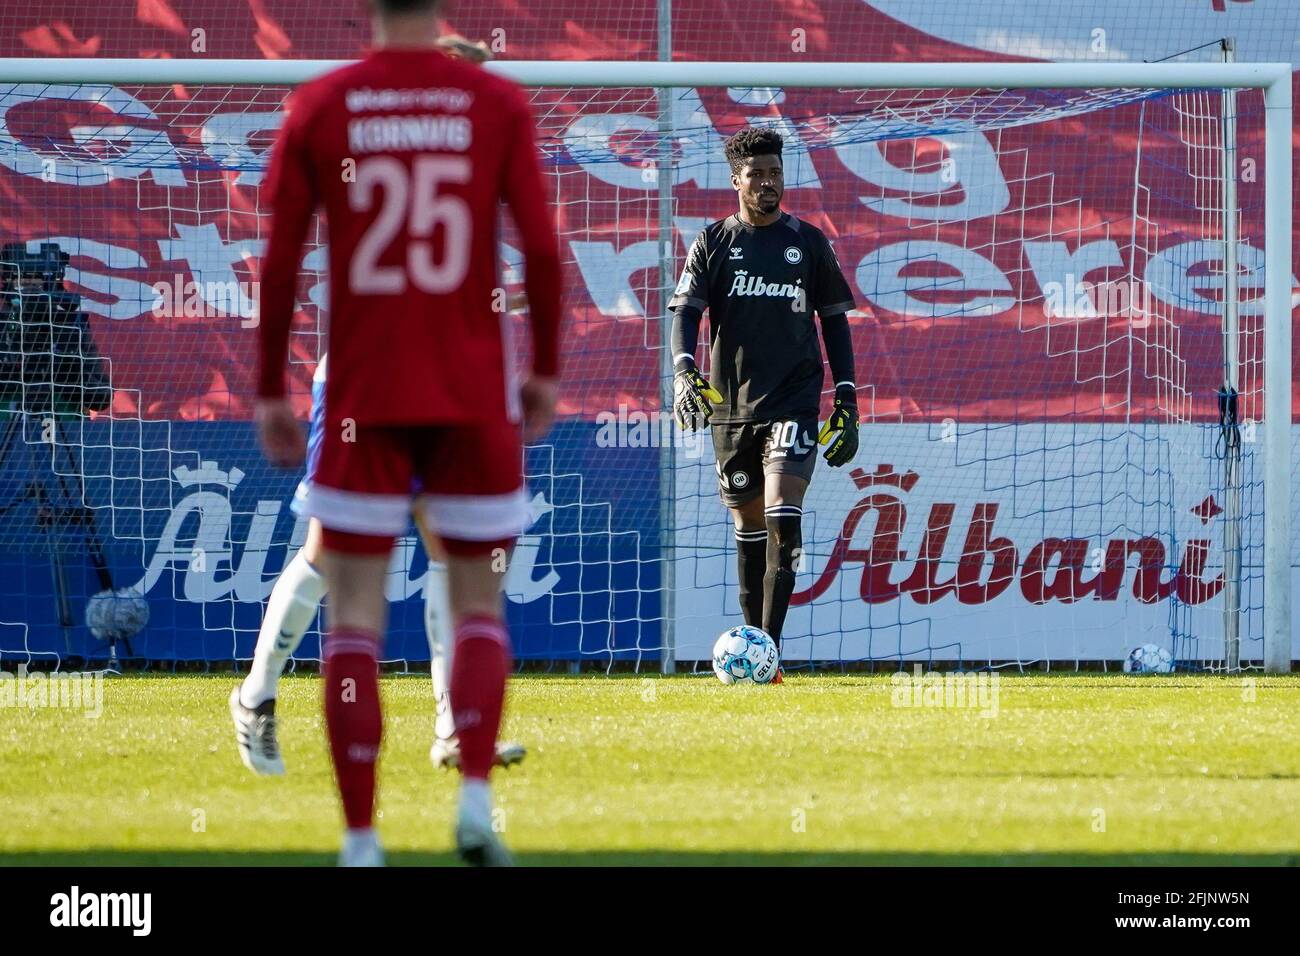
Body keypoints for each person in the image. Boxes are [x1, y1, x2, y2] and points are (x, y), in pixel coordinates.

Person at [253, 0, 561, 866]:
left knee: (353, 611)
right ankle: (471, 803)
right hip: (470, 388)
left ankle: (359, 841)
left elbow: (280, 258)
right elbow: (541, 248)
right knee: (476, 600)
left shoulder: (322, 103)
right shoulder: (495, 104)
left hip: (364, 386)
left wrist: (267, 385)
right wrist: (543, 371)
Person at [670, 127, 859, 678]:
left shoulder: (809, 242)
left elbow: (835, 321)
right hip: (731, 408)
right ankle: (757, 646)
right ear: (737, 181)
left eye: (776, 173)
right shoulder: (713, 243)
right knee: (749, 527)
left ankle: (768, 653)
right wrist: (684, 371)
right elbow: (684, 312)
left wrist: (845, 394)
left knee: (784, 514)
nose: (769, 183)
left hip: (795, 401)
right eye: (757, 175)